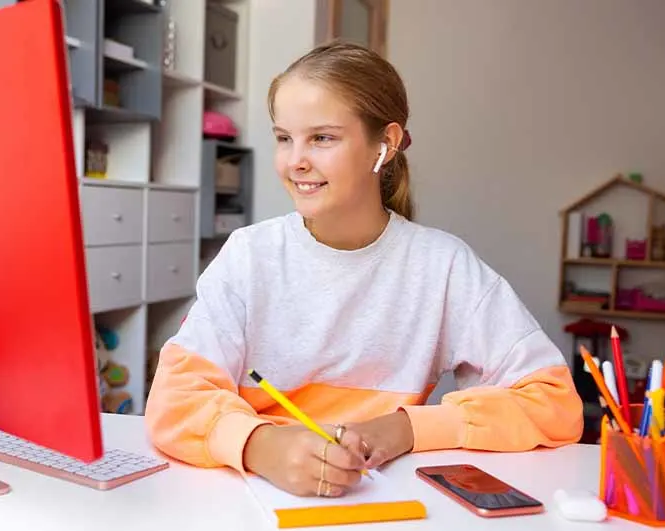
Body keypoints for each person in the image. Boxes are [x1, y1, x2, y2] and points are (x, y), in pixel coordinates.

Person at [144, 40, 583, 499]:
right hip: (247, 501)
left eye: (322, 137)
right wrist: (260, 444)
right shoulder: (249, 256)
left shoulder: (444, 266)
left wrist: (404, 429)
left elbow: (554, 403)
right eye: (283, 137)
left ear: (386, 144)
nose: (295, 160)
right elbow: (174, 398)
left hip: (379, 500)